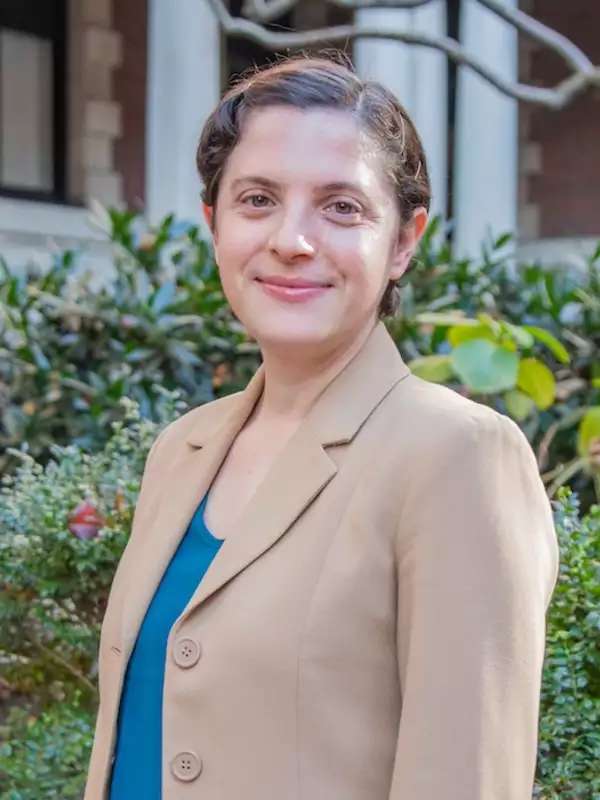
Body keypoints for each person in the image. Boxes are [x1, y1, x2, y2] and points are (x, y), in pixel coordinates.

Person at [83, 53, 560, 800]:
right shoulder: (183, 449)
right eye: (257, 200)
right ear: (214, 223)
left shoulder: (458, 457)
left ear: (404, 240)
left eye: (341, 207)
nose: (291, 240)